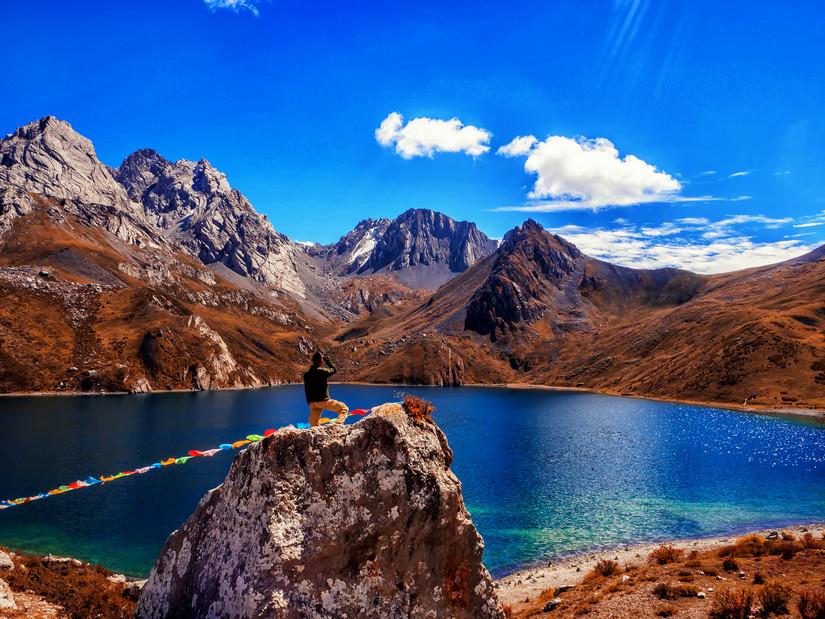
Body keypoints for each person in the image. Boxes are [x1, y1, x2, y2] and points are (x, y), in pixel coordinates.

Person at [303, 352, 349, 427]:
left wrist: (309, 402)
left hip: (312, 403)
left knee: (314, 424)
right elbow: (334, 370)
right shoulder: (322, 371)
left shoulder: (306, 374)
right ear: (321, 360)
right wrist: (327, 361)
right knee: (344, 408)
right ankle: (337, 425)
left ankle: (316, 434)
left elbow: (306, 389)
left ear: (313, 360)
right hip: (324, 401)